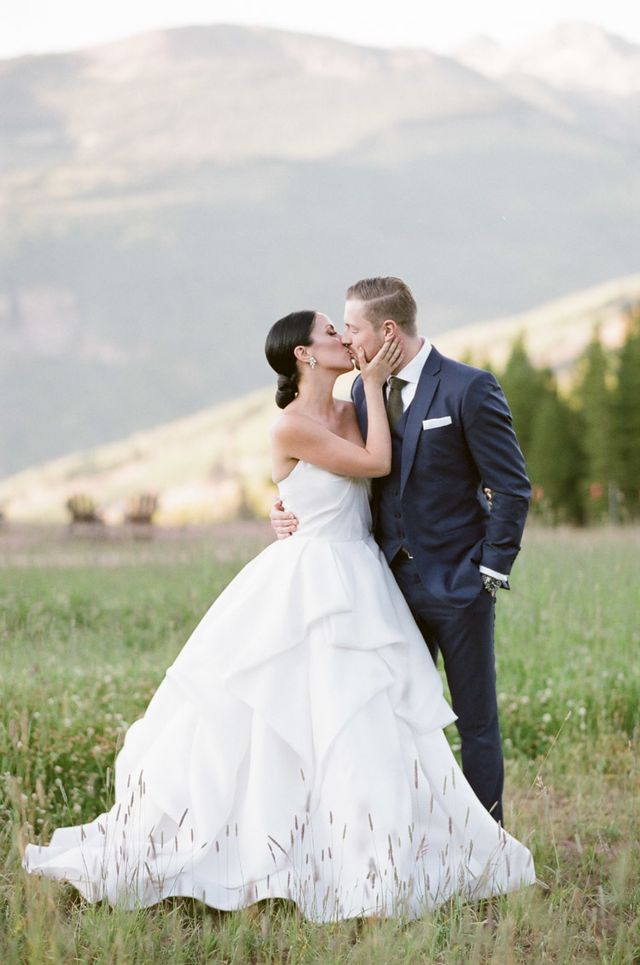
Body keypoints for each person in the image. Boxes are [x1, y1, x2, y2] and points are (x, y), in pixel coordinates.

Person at [24, 310, 535, 921]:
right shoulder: (293, 424)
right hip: (309, 581)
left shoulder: (356, 406)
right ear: (304, 354)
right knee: (288, 719)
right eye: (331, 333)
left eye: (345, 329)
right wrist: (294, 499)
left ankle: (379, 842)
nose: (344, 338)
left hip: (365, 576)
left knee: (365, 720)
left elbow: (379, 482)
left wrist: (296, 492)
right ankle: (277, 846)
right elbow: (372, 465)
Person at [271, 279, 532, 824]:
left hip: (460, 585)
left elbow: (511, 487)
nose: (346, 339)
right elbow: (329, 476)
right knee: (391, 721)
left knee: (476, 722)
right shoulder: (360, 397)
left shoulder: (467, 387)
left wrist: (489, 570)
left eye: (352, 328)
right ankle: (412, 837)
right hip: (383, 589)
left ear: (387, 330)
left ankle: (487, 844)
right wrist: (286, 509)